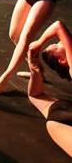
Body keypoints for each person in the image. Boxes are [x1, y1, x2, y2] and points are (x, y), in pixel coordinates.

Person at [27, 21, 72, 157]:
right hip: (61, 117)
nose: (61, 41)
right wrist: (39, 43)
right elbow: (58, 26)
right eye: (59, 44)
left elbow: (35, 95)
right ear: (63, 60)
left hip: (62, 113)